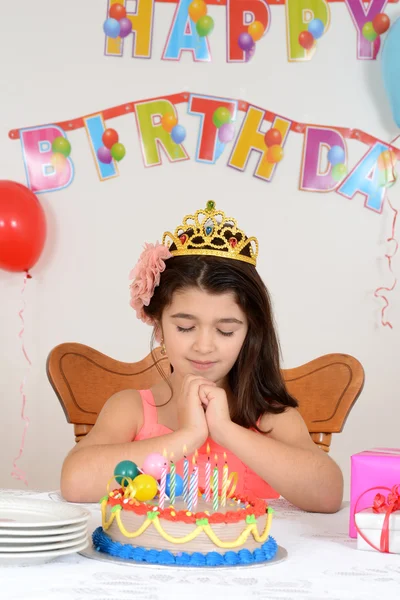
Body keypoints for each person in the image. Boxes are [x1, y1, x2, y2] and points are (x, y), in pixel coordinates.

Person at [61, 200, 343, 512]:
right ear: (159, 328)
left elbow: (327, 495)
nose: (204, 346)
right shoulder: (133, 410)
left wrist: (224, 429)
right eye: (185, 327)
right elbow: (75, 480)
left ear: (250, 334)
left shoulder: (271, 418)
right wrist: (189, 435)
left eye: (225, 331)